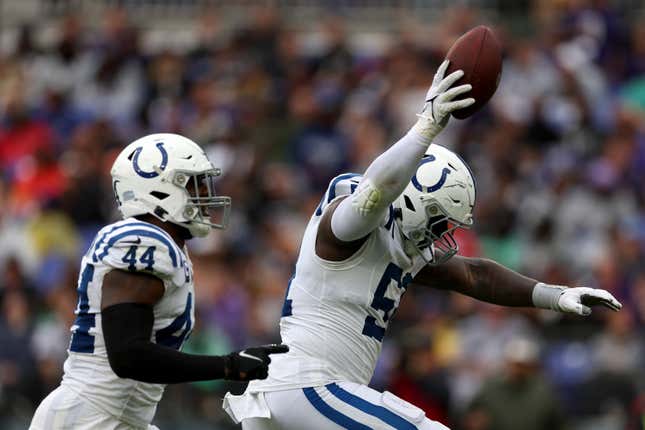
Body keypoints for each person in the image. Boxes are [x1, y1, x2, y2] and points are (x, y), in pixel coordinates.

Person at [222, 61, 622, 430]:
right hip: (308, 385)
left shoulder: (400, 243)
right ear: (413, 201)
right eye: (440, 222)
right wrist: (425, 127)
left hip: (307, 392)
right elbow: (376, 190)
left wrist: (555, 295)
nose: (442, 234)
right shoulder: (346, 224)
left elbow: (472, 274)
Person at [30, 133, 288, 430]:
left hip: (117, 419)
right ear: (158, 190)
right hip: (91, 420)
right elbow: (128, 355)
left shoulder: (167, 246)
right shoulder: (143, 242)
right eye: (194, 184)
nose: (206, 194)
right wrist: (227, 366)